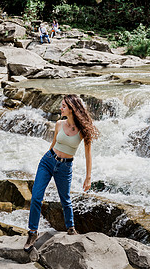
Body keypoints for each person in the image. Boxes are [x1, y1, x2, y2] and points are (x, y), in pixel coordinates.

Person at [24, 94, 99, 252]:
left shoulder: (83, 131)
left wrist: (88, 177)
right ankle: (32, 233)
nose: (60, 108)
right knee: (36, 197)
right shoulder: (59, 124)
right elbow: (53, 145)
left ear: (72, 109)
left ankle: (71, 228)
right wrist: (46, 160)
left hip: (65, 168)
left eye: (63, 106)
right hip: (48, 161)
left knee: (65, 199)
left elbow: (88, 155)